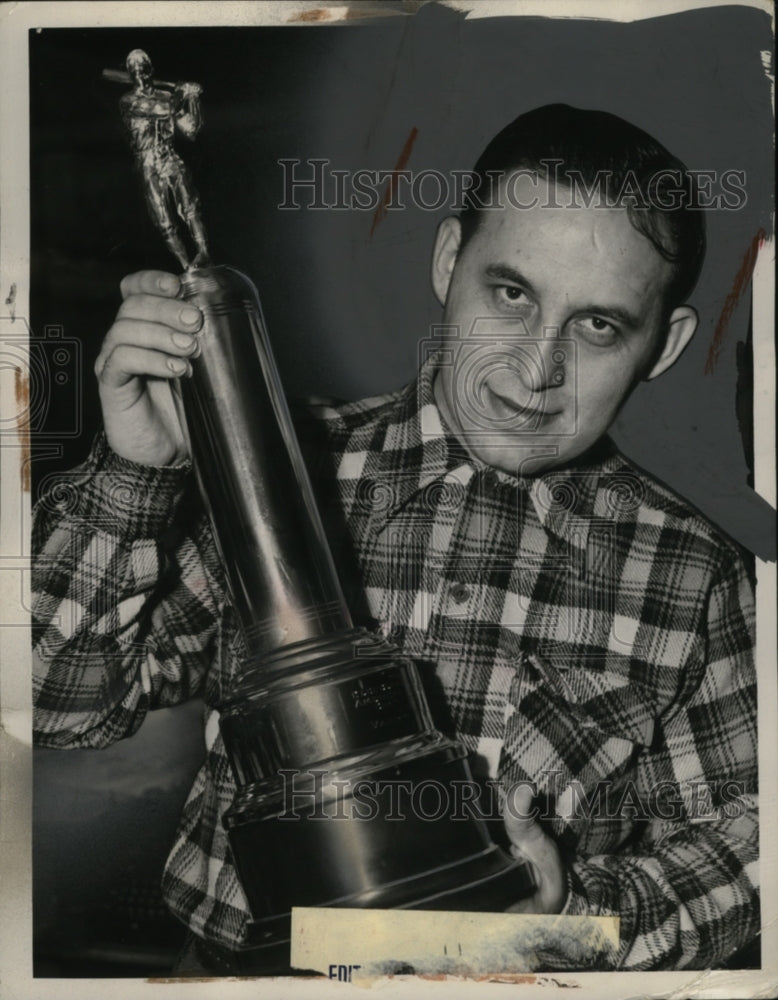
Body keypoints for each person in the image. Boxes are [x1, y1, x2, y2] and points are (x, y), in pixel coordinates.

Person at [31, 104, 758, 973]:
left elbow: (750, 847)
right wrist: (135, 478)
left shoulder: (697, 575)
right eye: (512, 293)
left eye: (598, 326)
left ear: (664, 346)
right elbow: (53, 705)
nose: (535, 368)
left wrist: (571, 917)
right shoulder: (266, 468)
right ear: (450, 260)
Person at [119, 48, 210, 270]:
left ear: (150, 69)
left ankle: (204, 254)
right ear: (130, 73)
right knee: (164, 220)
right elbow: (158, 110)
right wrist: (182, 92)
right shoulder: (128, 100)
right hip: (147, 162)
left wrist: (193, 100)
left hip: (169, 155)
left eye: (142, 66)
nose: (138, 72)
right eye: (133, 68)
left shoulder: (168, 96)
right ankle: (186, 266)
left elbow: (191, 130)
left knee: (191, 206)